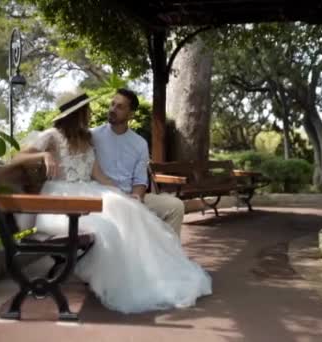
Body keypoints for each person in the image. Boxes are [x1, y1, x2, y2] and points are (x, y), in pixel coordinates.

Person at [12, 90, 212, 314]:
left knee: (126, 208)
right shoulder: (53, 136)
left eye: (119, 106)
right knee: (111, 224)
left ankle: (152, 268)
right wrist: (43, 156)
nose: (105, 110)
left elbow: (101, 176)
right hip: (62, 200)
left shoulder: (88, 139)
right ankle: (130, 274)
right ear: (78, 113)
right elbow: (17, 157)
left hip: (89, 193)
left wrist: (125, 197)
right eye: (87, 110)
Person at [91, 88, 185, 237]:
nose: (113, 109)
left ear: (131, 114)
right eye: (112, 104)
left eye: (120, 107)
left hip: (132, 196)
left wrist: (137, 198)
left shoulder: (139, 143)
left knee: (176, 206)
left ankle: (171, 253)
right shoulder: (93, 136)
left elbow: (140, 179)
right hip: (104, 197)